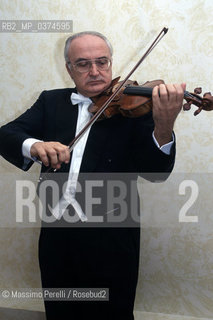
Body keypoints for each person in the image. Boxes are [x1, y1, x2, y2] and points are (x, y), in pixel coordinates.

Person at [0, 31, 185, 319]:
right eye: (83, 64)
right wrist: (35, 145)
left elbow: (157, 172)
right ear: (69, 69)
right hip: (56, 232)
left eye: (102, 62)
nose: (96, 72)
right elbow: (6, 135)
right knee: (60, 309)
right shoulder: (51, 102)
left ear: (111, 63)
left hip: (112, 235)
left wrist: (163, 124)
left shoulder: (133, 107)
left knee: (112, 312)